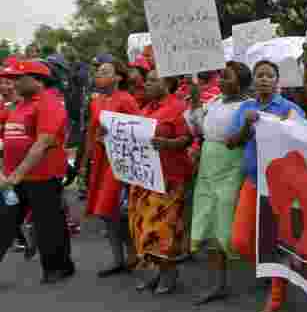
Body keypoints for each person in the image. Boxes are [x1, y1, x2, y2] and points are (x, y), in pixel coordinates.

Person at [227, 60, 306, 312]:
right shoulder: (246, 109)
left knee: (275, 242)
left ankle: (274, 300)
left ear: (277, 81)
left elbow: (305, 143)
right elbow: (231, 143)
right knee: (240, 241)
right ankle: (272, 272)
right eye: (259, 75)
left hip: (279, 188)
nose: (263, 80)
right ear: (253, 81)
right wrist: (246, 127)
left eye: (269, 76)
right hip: (252, 182)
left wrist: (286, 127)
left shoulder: (290, 109)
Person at [0, 60, 73, 282]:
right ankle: (60, 264)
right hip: (16, 177)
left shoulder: (49, 104)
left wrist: (16, 175)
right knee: (5, 221)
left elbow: (42, 143)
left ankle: (57, 267)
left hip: (42, 176)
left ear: (38, 81)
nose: (13, 83)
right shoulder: (21, 105)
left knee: (48, 223)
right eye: (11, 79)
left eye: (18, 79)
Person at [187, 61, 252, 306]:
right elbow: (199, 128)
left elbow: (240, 139)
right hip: (208, 165)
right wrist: (195, 102)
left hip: (232, 167)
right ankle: (219, 283)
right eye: (221, 77)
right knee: (210, 219)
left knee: (226, 218)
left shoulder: (248, 107)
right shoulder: (214, 102)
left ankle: (267, 271)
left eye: (228, 77)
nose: (222, 81)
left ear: (242, 82)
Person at [129, 70, 193, 295]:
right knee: (144, 227)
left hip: (170, 178)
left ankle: (169, 272)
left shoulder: (178, 108)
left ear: (167, 83)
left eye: (152, 81)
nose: (146, 85)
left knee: (162, 228)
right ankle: (157, 270)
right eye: (146, 81)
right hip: (145, 178)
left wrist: (166, 143)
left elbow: (188, 139)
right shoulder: (145, 109)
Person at [82, 61, 140, 276]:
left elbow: (138, 130)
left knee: (116, 211)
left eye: (105, 72)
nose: (99, 75)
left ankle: (132, 253)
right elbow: (91, 132)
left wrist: (115, 137)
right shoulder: (96, 102)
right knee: (106, 213)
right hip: (100, 161)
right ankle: (118, 259)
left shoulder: (126, 100)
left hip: (120, 162)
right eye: (98, 72)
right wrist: (85, 163)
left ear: (118, 78)